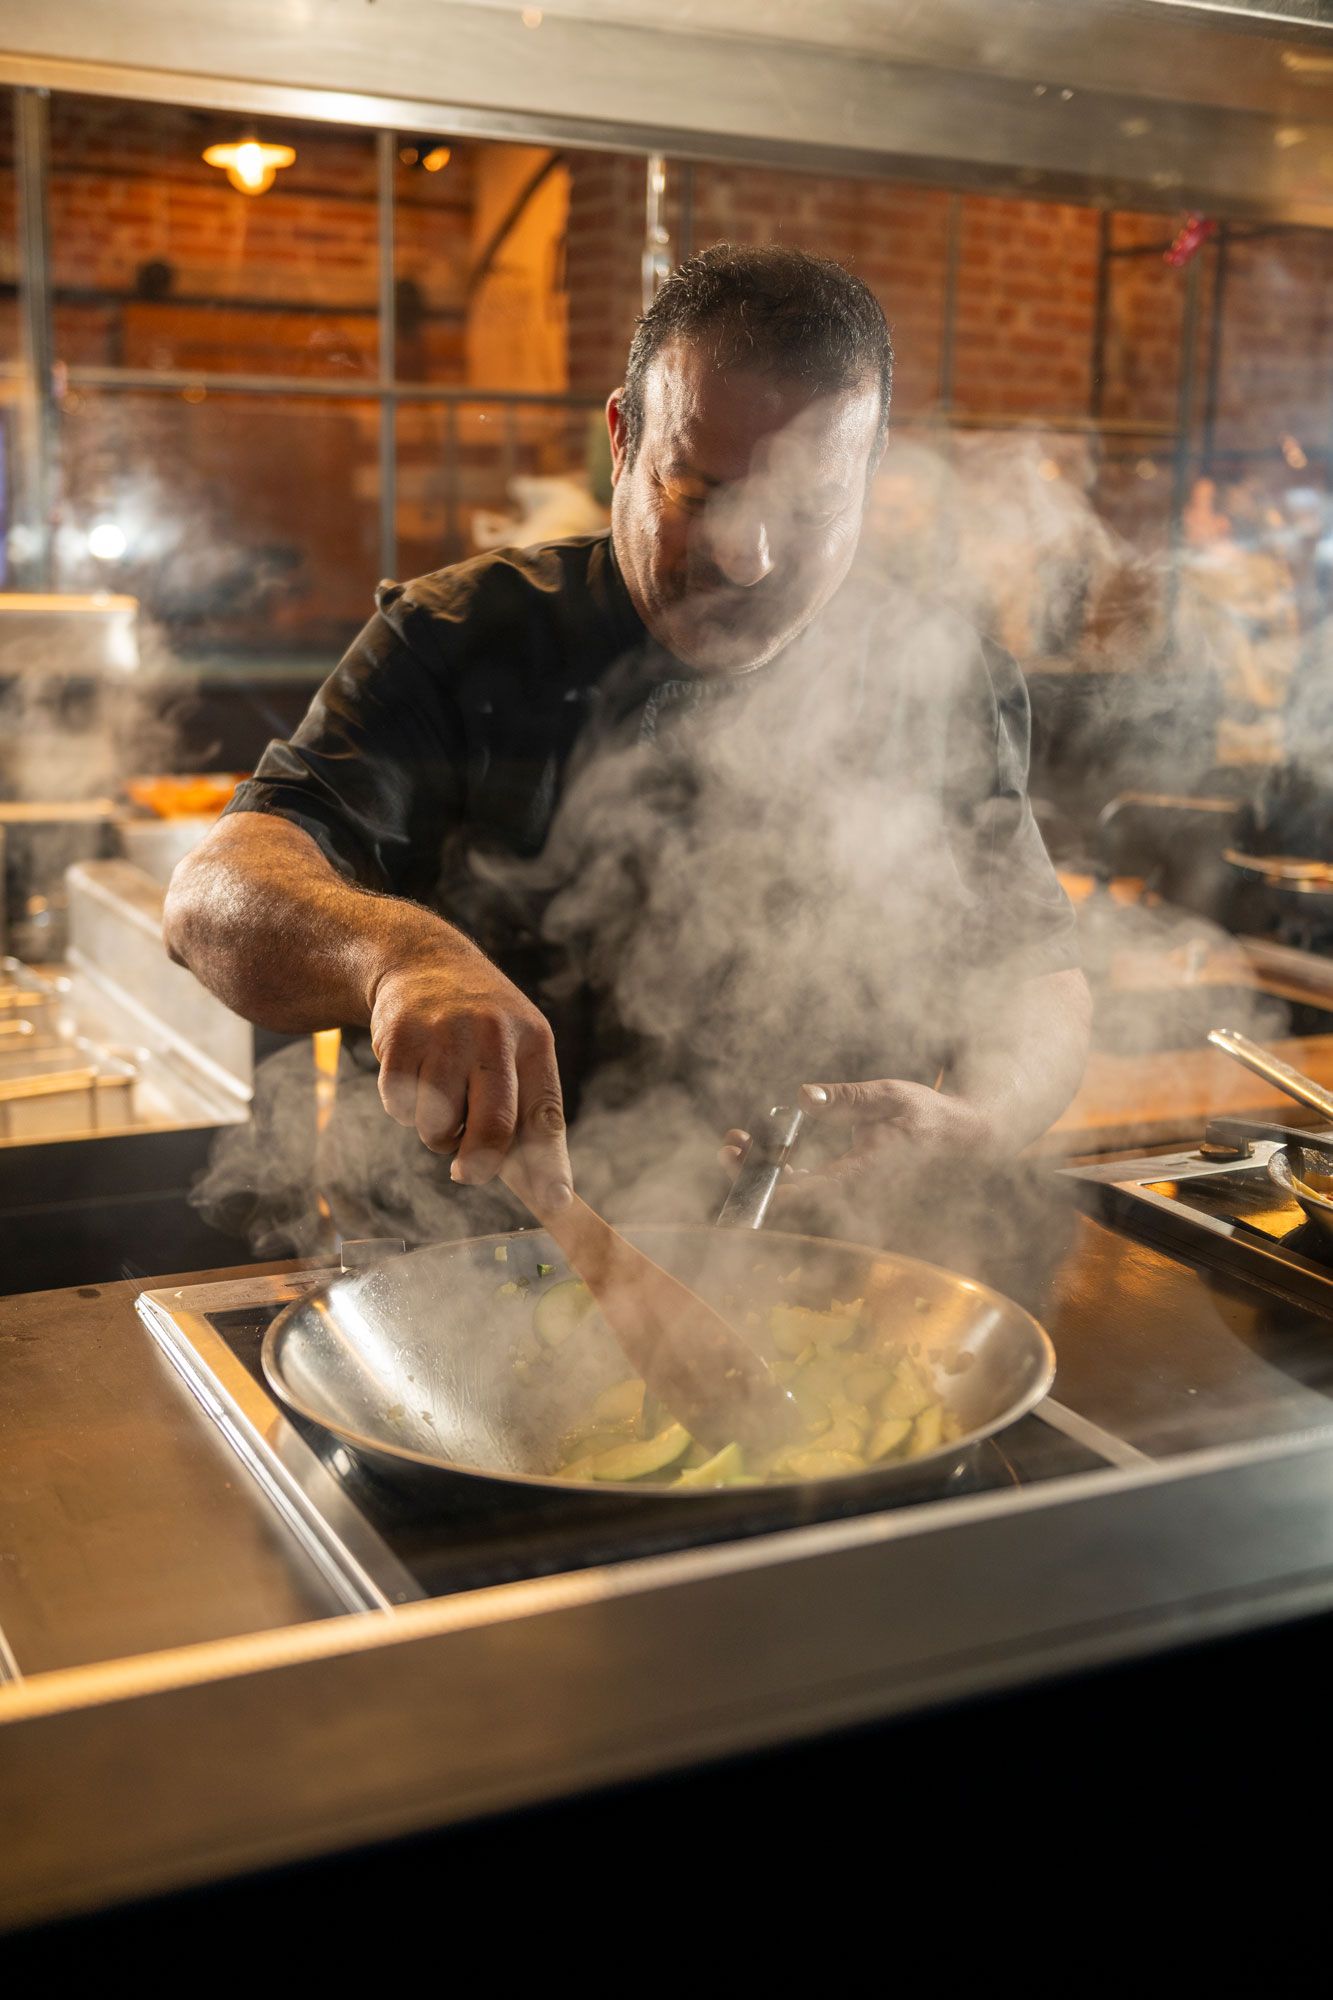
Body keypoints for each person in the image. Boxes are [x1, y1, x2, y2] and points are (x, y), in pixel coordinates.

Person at [165, 245, 1090, 1245]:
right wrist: (397, 959)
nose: (746, 557)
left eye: (807, 507)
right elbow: (211, 900)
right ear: (621, 440)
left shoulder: (944, 676)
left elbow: (1032, 974)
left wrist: (982, 1122)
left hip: (816, 1271)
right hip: (466, 1279)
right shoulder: (453, 642)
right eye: (696, 490)